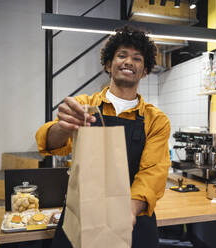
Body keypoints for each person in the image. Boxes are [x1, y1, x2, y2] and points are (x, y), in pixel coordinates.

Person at [36, 26, 171, 248]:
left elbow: (153, 172)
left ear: (145, 70)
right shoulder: (85, 106)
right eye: (122, 55)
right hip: (84, 213)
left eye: (137, 58)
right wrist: (63, 127)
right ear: (108, 64)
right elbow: (50, 143)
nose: (129, 61)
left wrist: (128, 211)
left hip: (132, 217)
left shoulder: (155, 120)